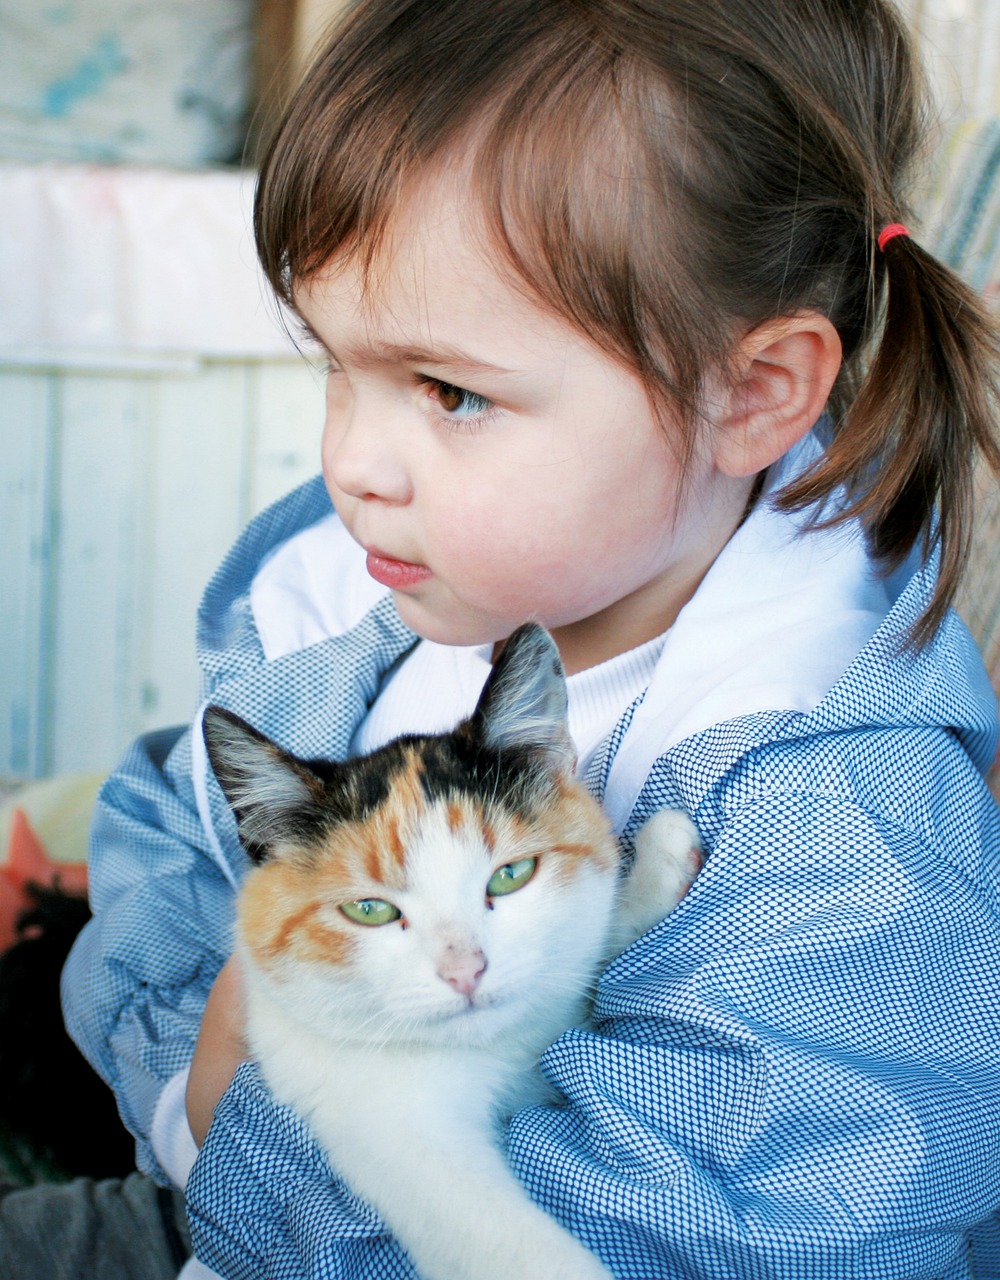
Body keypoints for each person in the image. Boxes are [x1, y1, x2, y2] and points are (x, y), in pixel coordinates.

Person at [55, 0, 1000, 1275]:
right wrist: (186, 1100)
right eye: (335, 365)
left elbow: (747, 1219)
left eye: (451, 393)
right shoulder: (345, 608)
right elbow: (170, 838)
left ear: (752, 392)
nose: (351, 464)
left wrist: (246, 1132)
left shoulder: (836, 807)